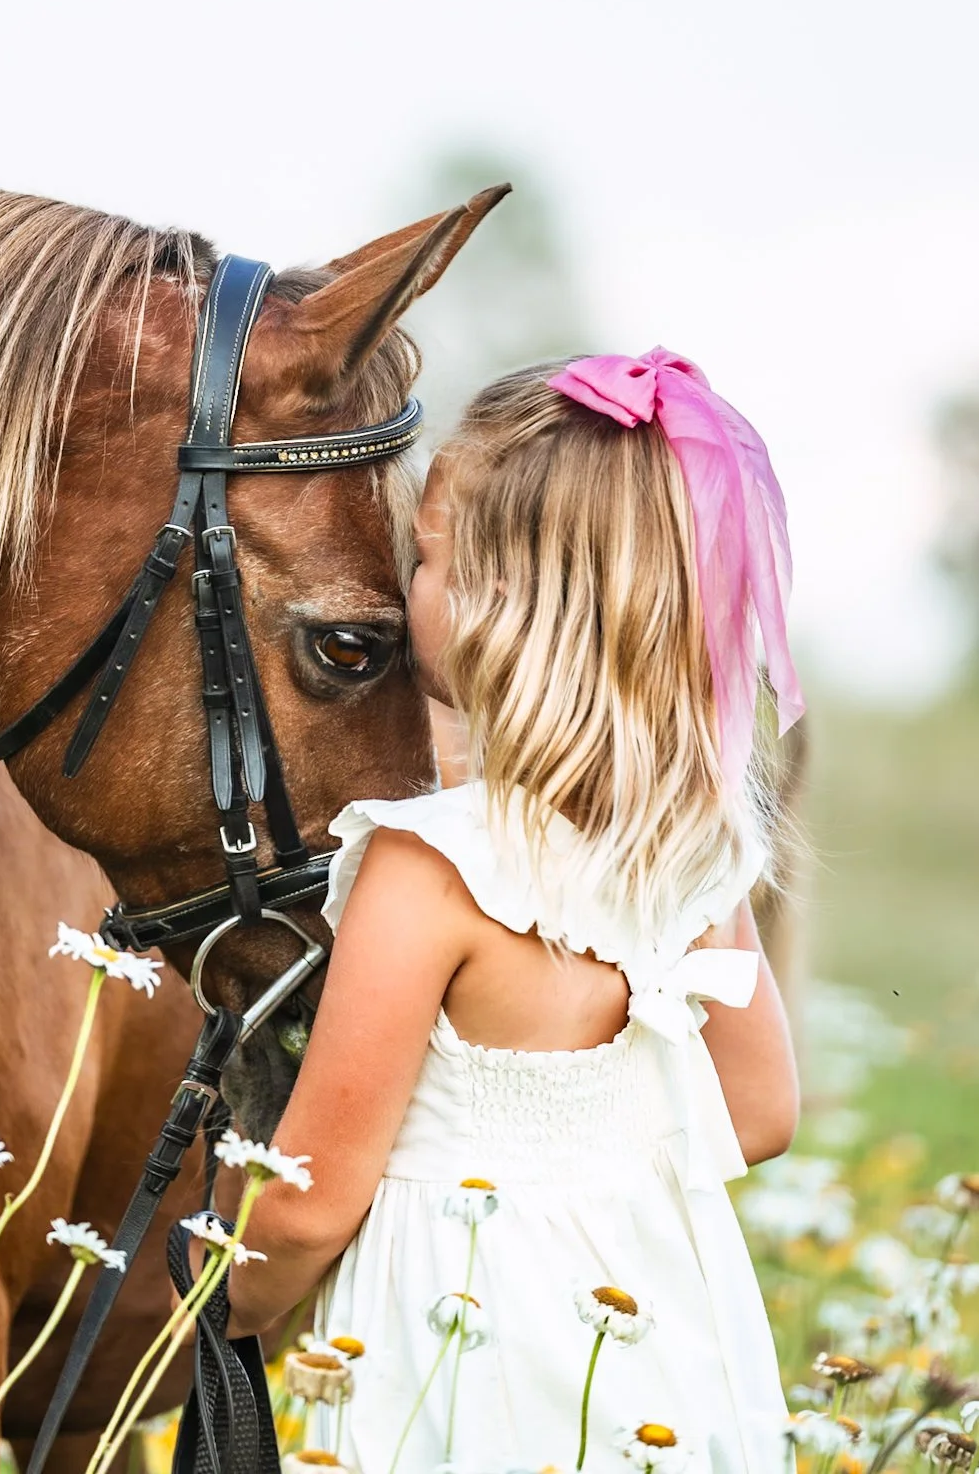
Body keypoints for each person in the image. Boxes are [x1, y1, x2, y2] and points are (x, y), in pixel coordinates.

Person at [224, 350, 803, 1473]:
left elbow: (304, 1203)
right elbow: (762, 1109)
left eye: (430, 557)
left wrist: (220, 1310)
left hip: (461, 1343)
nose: (407, 587)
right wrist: (597, 1161)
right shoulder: (696, 844)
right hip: (653, 1339)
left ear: (508, 603)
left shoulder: (432, 866)